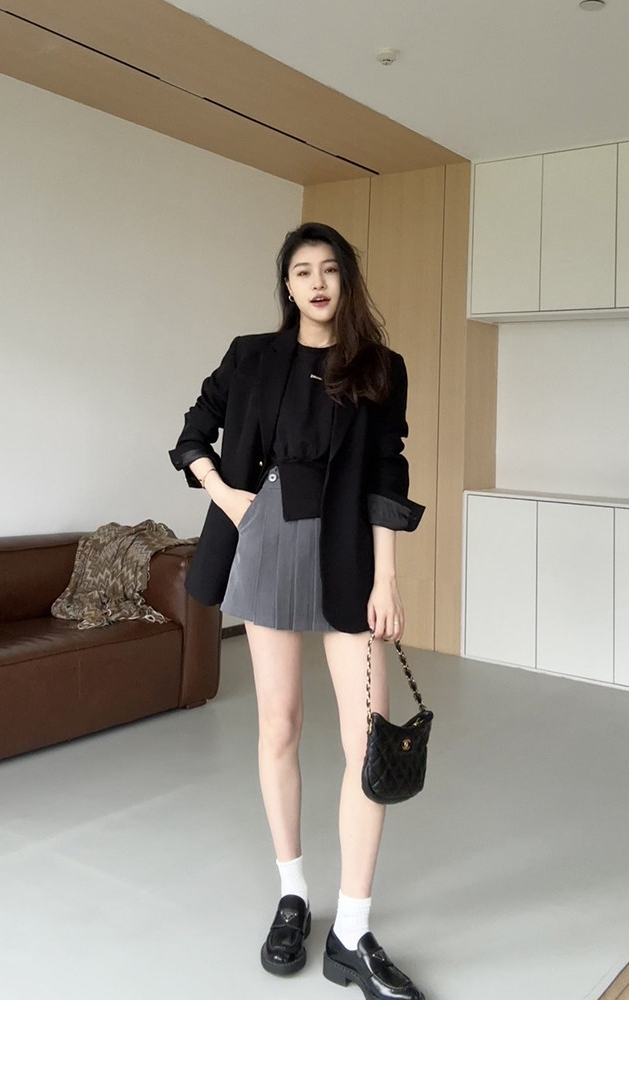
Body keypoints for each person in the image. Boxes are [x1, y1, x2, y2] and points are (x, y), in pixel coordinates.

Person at [170, 222, 426, 1000]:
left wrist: (388, 578)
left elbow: (387, 473)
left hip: (348, 550)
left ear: (346, 281)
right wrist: (229, 498)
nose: (317, 282)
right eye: (302, 271)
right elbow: (193, 433)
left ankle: (352, 931)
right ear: (286, 285)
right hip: (268, 538)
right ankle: (292, 894)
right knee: (278, 724)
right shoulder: (251, 356)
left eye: (330, 270)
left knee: (369, 742)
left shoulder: (380, 367)